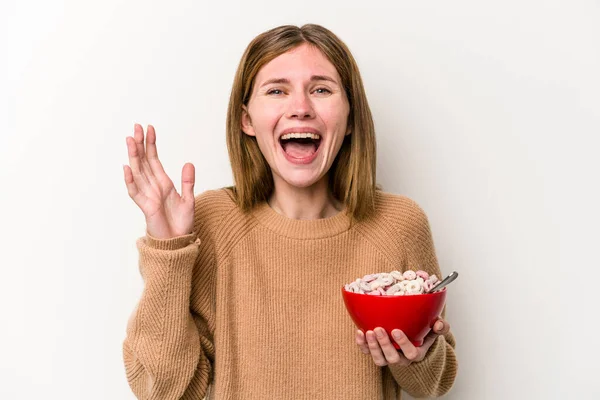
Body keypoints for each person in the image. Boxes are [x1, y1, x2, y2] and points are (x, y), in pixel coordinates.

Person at [122, 23, 457, 399]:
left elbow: (433, 383)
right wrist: (169, 250)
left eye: (321, 90)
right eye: (277, 90)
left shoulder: (398, 224)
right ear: (246, 119)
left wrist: (414, 355)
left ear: (349, 119)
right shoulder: (214, 222)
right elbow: (163, 389)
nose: (300, 108)